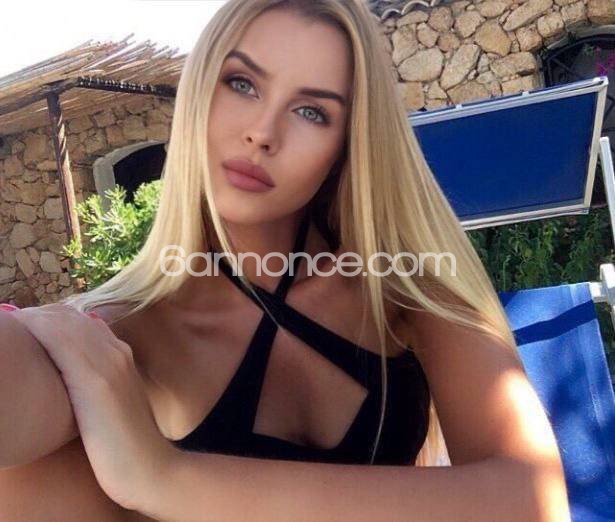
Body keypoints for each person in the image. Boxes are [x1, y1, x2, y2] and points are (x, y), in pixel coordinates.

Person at [0, 0, 570, 520]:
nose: (262, 133)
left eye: (312, 112)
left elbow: (534, 504)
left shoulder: (400, 282)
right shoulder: (118, 334)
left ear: (347, 144)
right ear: (197, 93)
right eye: (242, 83)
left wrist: (163, 477)